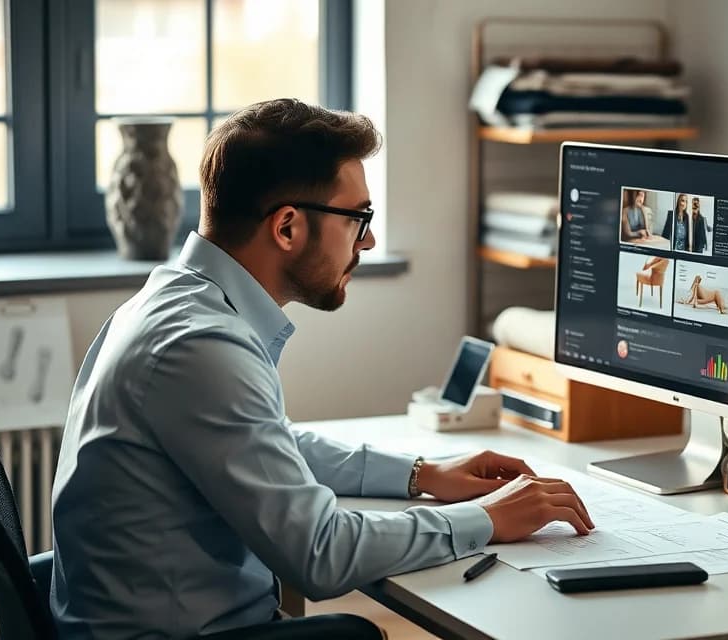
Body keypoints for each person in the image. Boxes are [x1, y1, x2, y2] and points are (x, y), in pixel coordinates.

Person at [50, 98, 595, 638]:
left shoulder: (176, 301)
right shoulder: (202, 345)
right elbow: (321, 554)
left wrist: (420, 475)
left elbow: (265, 444)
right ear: (287, 227)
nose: (370, 240)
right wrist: (488, 519)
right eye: (358, 218)